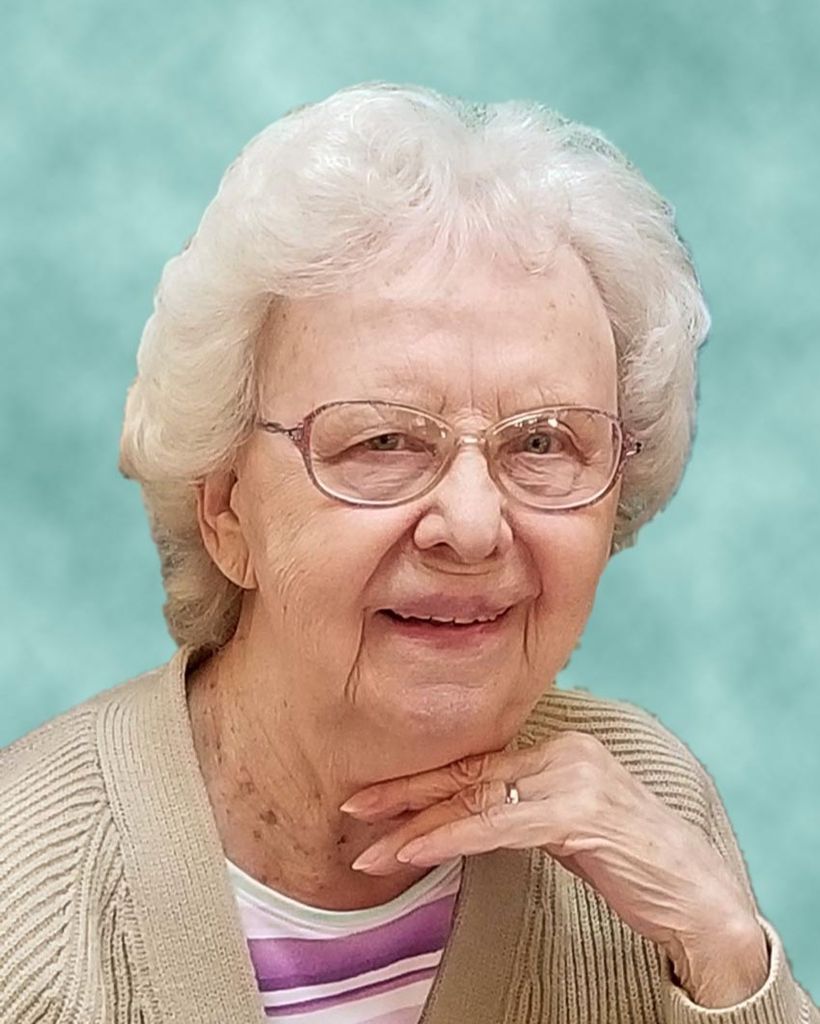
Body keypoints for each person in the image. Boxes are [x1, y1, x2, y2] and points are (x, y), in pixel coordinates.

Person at [1, 82, 816, 1024]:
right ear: (225, 512)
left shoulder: (651, 801)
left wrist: (726, 958)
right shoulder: (29, 894)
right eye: (383, 441)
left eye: (543, 441)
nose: (471, 526)